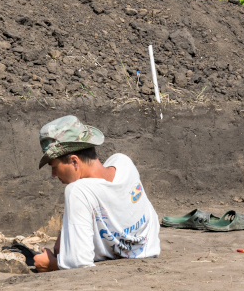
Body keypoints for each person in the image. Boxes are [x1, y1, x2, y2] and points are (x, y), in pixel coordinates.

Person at [32, 115, 160, 272]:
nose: (53, 174)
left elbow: (79, 262)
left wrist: (51, 264)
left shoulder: (78, 191)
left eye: (54, 167)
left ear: (74, 161)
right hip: (147, 250)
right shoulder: (123, 163)